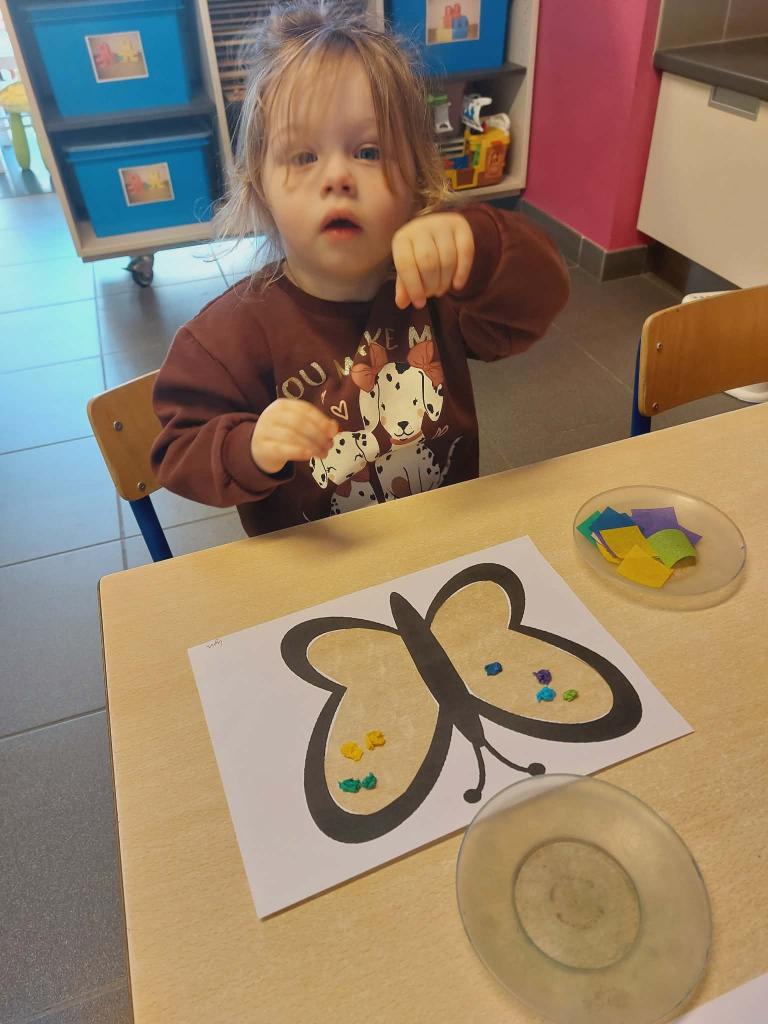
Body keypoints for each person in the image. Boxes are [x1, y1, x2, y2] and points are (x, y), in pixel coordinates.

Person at [150, 0, 570, 537]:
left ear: (417, 180)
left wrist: (477, 247)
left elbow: (543, 298)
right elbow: (177, 449)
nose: (337, 177)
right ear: (260, 188)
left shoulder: (439, 288)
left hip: (443, 544)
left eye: (368, 152)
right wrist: (248, 447)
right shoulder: (226, 337)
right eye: (303, 157)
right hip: (321, 567)